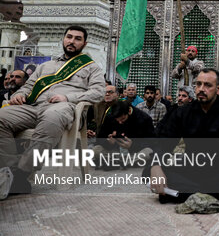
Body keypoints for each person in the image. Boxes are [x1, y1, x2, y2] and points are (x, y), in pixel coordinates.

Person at [0, 26, 106, 195]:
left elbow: (99, 92)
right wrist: (19, 95)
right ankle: (9, 170)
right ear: (63, 39)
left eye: (77, 39)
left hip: (63, 108)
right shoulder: (45, 66)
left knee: (52, 117)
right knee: (2, 116)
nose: (72, 41)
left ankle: (22, 173)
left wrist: (68, 97)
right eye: (69, 37)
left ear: (84, 44)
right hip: (33, 106)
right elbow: (27, 86)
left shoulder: (91, 68)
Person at [150, 68, 219, 205]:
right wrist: (156, 166)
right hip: (192, 167)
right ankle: (209, 195)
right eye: (198, 84)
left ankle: (178, 194)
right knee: (149, 171)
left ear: (218, 88)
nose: (201, 89)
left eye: (208, 85)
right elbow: (164, 141)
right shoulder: (183, 112)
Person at [93, 100, 155, 169]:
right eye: (117, 120)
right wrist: (108, 142)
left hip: (134, 153)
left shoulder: (144, 119)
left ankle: (117, 162)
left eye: (123, 119)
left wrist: (132, 145)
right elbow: (99, 139)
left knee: (148, 153)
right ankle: (121, 162)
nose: (120, 122)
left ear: (129, 111)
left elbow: (151, 142)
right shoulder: (110, 117)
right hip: (114, 152)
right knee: (96, 150)